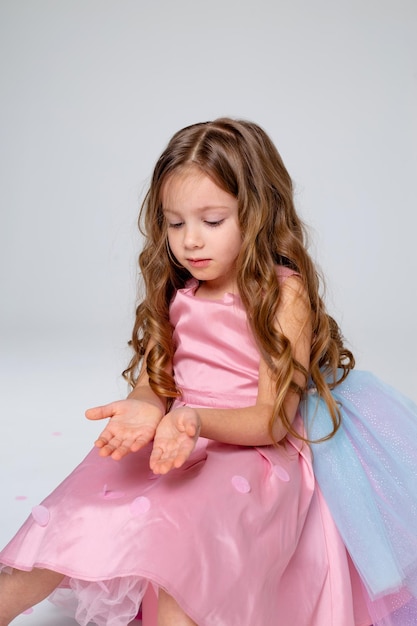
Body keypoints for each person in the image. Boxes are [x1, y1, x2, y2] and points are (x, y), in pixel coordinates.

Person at [0, 118, 416, 626]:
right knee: (75, 509)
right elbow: (159, 380)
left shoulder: (282, 295)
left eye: (212, 221)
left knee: (189, 550)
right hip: (181, 437)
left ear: (258, 213)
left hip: (255, 452)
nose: (190, 241)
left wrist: (195, 419)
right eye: (175, 224)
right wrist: (143, 406)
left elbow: (272, 420)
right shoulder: (181, 290)